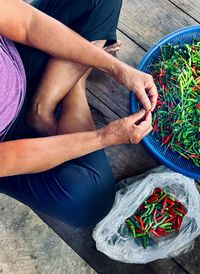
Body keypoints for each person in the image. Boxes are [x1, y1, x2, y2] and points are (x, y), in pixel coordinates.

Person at [0, 0, 157, 227]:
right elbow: (8, 158)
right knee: (90, 201)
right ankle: (75, 81)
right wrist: (105, 137)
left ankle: (42, 107)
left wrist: (116, 68)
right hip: (9, 142)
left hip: (18, 61)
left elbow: (28, 24)